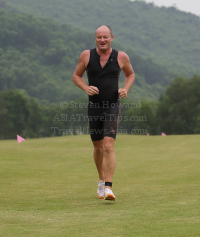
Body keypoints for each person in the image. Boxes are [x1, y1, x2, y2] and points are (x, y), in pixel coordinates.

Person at [72, 25, 135, 201]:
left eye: (105, 37)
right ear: (95, 39)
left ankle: (108, 187)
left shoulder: (121, 56)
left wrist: (125, 89)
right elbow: (76, 76)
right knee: (98, 147)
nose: (102, 40)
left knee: (108, 146)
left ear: (112, 37)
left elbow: (130, 75)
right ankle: (101, 179)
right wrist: (85, 87)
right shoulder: (86, 55)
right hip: (94, 107)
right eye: (99, 37)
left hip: (112, 105)